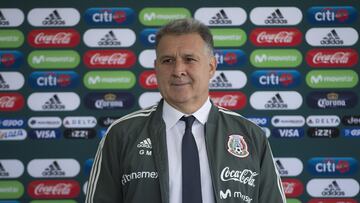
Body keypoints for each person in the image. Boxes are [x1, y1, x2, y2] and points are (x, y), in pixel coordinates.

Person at [86, 18, 286, 203]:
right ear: (156, 68)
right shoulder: (122, 134)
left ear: (211, 67)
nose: (178, 70)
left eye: (189, 59)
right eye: (167, 61)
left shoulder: (250, 135)